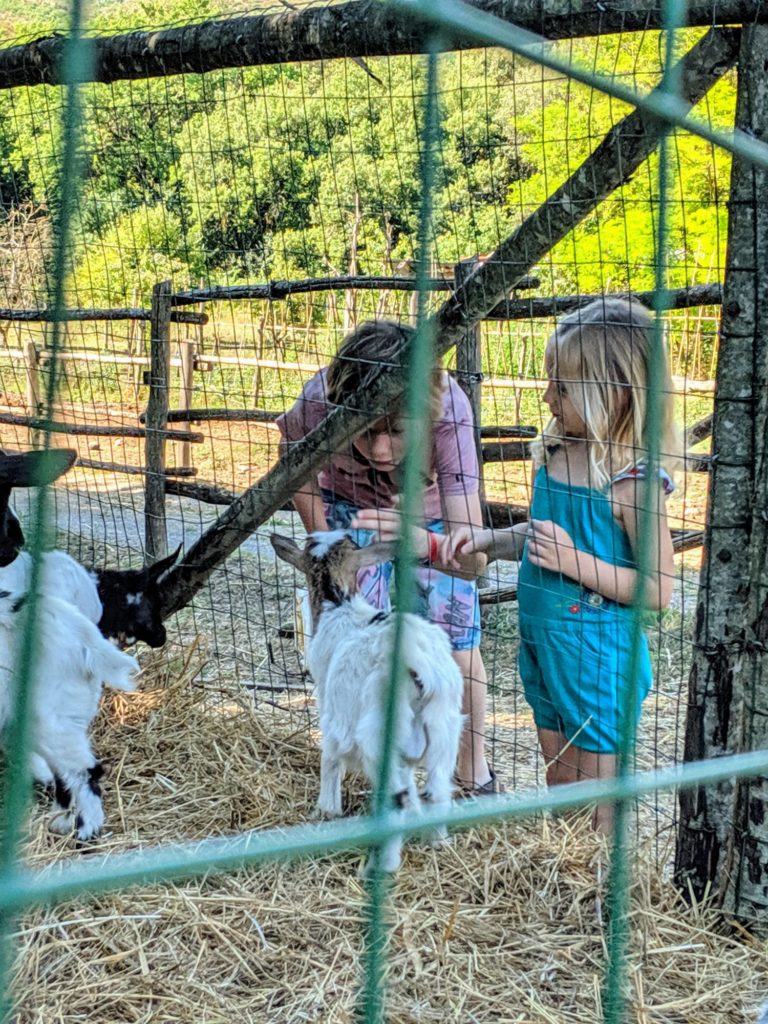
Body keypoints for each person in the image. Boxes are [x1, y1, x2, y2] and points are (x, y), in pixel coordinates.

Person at [444, 297, 678, 832]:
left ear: (614, 395)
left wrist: (574, 562)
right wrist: (489, 540)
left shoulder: (632, 480)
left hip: (598, 655)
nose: (548, 397)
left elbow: (659, 589)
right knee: (561, 783)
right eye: (550, 381)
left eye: (563, 387)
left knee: (600, 798)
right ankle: (569, 889)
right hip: (544, 644)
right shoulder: (557, 453)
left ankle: (603, 896)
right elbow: (541, 538)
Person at [276, 319, 500, 795]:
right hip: (348, 508)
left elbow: (473, 553)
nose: (379, 448)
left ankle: (471, 774)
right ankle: (369, 758)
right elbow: (292, 467)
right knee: (351, 639)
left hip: (430, 516)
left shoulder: (450, 415)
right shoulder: (317, 402)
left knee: (454, 642)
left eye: (397, 431)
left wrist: (429, 545)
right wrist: (328, 549)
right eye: (364, 430)